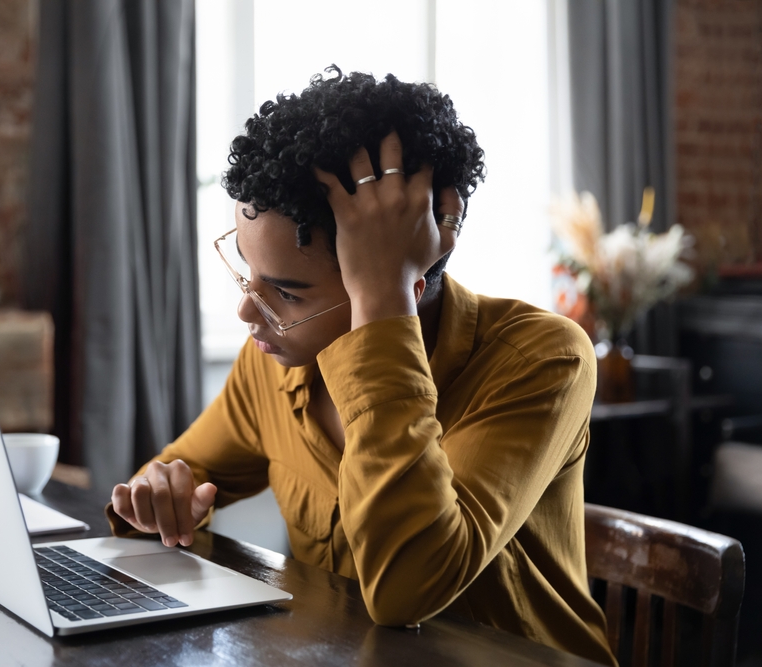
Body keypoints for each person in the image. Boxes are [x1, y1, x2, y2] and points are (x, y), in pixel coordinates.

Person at [107, 66, 615, 666]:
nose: (248, 310)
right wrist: (156, 495)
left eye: (287, 294)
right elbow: (173, 478)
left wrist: (381, 298)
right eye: (246, 272)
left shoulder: (541, 359)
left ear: (409, 265)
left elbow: (407, 590)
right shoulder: (272, 363)